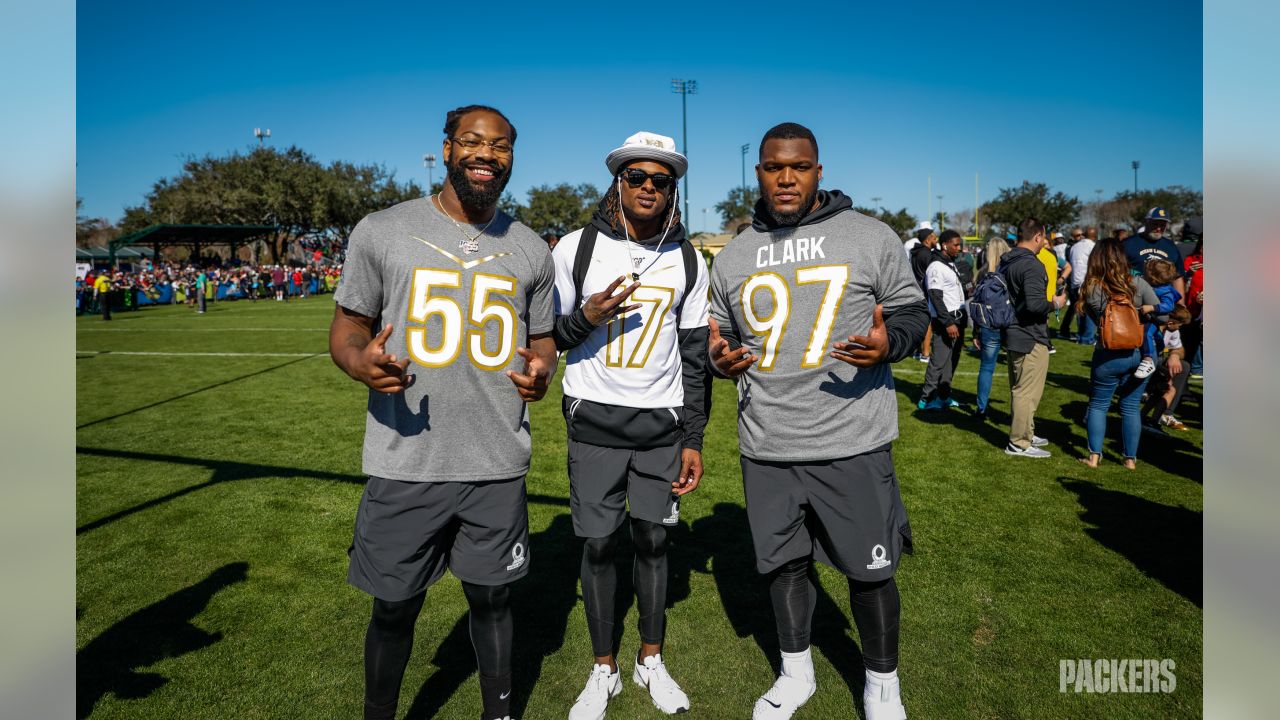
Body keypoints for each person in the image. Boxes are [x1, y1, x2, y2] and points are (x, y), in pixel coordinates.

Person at [328, 104, 557, 720]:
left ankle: (499, 713)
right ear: (448, 148)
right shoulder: (381, 230)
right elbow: (347, 329)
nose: (487, 155)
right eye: (474, 142)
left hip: (495, 460)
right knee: (394, 606)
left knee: (493, 600)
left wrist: (542, 370)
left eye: (502, 146)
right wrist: (359, 365)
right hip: (407, 459)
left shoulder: (533, 247)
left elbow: (541, 340)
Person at [707, 122, 927, 720]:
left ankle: (883, 686)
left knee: (870, 571)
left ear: (818, 171)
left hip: (850, 439)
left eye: (799, 167)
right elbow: (719, 338)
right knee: (785, 566)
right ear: (758, 172)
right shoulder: (733, 256)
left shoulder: (869, 235)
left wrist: (892, 344)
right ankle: (796, 671)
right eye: (774, 167)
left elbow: (910, 308)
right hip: (767, 440)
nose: (786, 177)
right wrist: (719, 360)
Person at [550, 131, 708, 719]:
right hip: (592, 422)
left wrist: (693, 439)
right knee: (596, 544)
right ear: (618, 181)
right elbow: (550, 340)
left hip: (660, 429)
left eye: (660, 180)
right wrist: (587, 316)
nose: (648, 187)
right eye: (637, 177)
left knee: (653, 539)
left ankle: (649, 659)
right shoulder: (575, 248)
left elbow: (695, 360)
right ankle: (602, 669)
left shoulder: (691, 260)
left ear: (673, 190)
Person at [1077, 238, 1159, 469]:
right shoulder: (1138, 283)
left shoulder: (1092, 287)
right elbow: (1161, 312)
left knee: (1098, 404)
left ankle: (1094, 457)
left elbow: (1094, 318)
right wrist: (1140, 316)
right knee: (1131, 407)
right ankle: (1130, 460)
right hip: (1137, 352)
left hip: (1107, 353)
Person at [1000, 218, 1066, 458]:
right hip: (1029, 335)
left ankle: (1026, 433)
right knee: (1026, 392)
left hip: (1013, 331)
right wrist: (1056, 303)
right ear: (1038, 237)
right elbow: (1035, 304)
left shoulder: (1007, 260)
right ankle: (1019, 442)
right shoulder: (1031, 264)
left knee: (1021, 389)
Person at [918, 229, 968, 410]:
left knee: (951, 361)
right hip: (946, 320)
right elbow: (935, 297)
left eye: (960, 244)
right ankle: (926, 399)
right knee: (938, 362)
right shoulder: (936, 266)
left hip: (957, 318)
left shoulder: (949, 263)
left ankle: (944, 396)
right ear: (945, 245)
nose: (959, 248)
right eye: (956, 245)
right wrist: (948, 322)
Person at [972, 236, 1011, 419]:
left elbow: (977, 304)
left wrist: (976, 331)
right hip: (1011, 324)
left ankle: (981, 408)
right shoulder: (1011, 271)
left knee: (986, 368)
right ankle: (1019, 412)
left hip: (988, 326)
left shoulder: (982, 273)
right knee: (1016, 369)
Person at [1123, 207, 1185, 301]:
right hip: (1135, 300)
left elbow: (1177, 277)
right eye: (1155, 224)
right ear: (1146, 222)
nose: (1158, 228)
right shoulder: (1128, 244)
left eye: (1163, 225)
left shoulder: (1171, 247)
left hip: (1164, 302)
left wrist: (1181, 305)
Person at [1134, 258, 1182, 379]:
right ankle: (1159, 349)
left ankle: (1148, 360)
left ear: (1153, 277)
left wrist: (1152, 307)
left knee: (1146, 333)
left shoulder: (1165, 291)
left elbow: (1168, 305)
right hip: (1145, 318)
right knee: (1157, 338)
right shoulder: (1148, 284)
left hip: (1153, 320)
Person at [1064, 226, 1097, 344]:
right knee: (1090, 310)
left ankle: (1080, 336)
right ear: (1094, 236)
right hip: (1087, 281)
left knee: (1080, 310)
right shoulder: (1093, 246)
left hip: (1075, 281)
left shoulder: (1074, 246)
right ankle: (1087, 338)